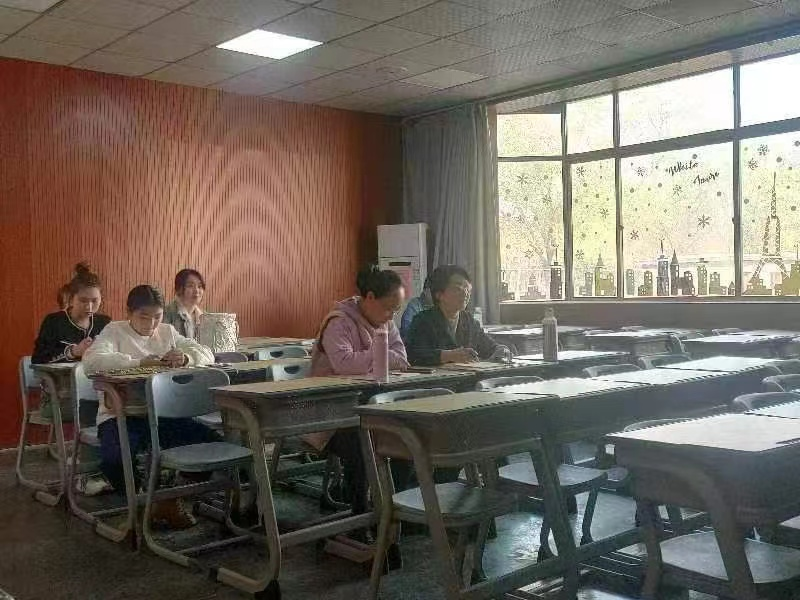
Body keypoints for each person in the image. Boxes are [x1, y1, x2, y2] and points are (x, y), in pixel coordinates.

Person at [82, 285, 217, 529]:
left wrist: (186, 358)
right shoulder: (114, 331)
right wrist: (138, 362)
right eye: (144, 317)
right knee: (115, 459)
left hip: (163, 415)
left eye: (157, 316)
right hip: (120, 415)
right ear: (129, 313)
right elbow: (91, 361)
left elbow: (206, 353)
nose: (151, 324)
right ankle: (144, 502)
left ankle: (169, 498)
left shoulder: (167, 332)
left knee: (211, 444)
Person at [310, 265, 408, 517]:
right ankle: (360, 515)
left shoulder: (386, 322)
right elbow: (344, 365)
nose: (391, 316)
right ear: (370, 297)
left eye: (396, 310)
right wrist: (381, 355)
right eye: (388, 308)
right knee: (363, 441)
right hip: (329, 413)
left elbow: (402, 357)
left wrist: (373, 357)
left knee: (405, 434)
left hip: (368, 407)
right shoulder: (338, 321)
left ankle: (396, 509)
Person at [405, 265, 510, 366]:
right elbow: (413, 355)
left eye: (467, 289)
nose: (465, 294)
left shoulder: (469, 321)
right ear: (439, 294)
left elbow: (489, 347)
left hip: (467, 376)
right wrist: (448, 355)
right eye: (458, 289)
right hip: (436, 377)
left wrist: (501, 350)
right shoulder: (423, 320)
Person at [33, 263, 111, 365]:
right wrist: (73, 352)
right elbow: (37, 360)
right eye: (83, 300)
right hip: (60, 375)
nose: (89, 307)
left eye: (94, 300)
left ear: (101, 299)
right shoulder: (54, 322)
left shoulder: (104, 323)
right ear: (71, 298)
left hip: (94, 375)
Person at [163, 268, 205, 339]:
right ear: (178, 288)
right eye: (190, 286)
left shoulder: (203, 317)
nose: (196, 290)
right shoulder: (167, 313)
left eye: (199, 286)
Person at [399, 275, 432, 341]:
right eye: (433, 291)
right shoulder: (414, 306)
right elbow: (406, 331)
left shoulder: (441, 305)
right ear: (425, 291)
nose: (436, 295)